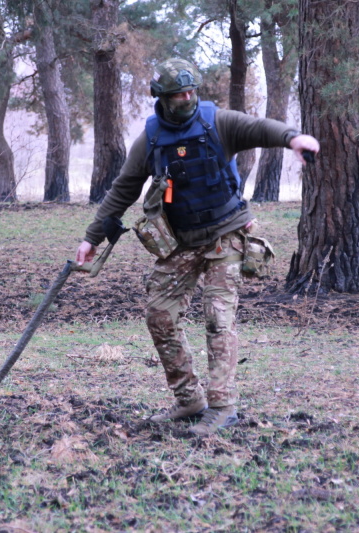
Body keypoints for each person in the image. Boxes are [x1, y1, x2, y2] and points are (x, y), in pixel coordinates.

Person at [75, 57, 319, 436]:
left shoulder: (217, 122)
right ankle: (189, 399)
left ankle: (223, 407)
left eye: (191, 91)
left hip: (227, 234)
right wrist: (91, 237)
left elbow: (258, 128)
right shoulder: (152, 139)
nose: (187, 98)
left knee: (218, 318)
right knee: (160, 315)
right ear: (162, 97)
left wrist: (293, 138)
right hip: (181, 240)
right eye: (178, 94)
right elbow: (123, 187)